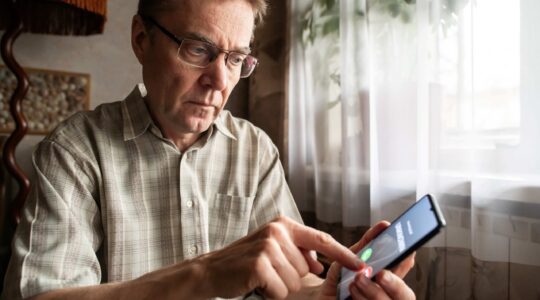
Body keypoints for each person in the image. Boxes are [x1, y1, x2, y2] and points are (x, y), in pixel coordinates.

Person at [2, 0, 416, 299]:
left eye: (236, 58)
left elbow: (292, 284)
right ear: (142, 40)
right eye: (198, 49)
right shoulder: (74, 151)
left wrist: (328, 291)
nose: (220, 81)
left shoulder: (255, 150)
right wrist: (203, 275)